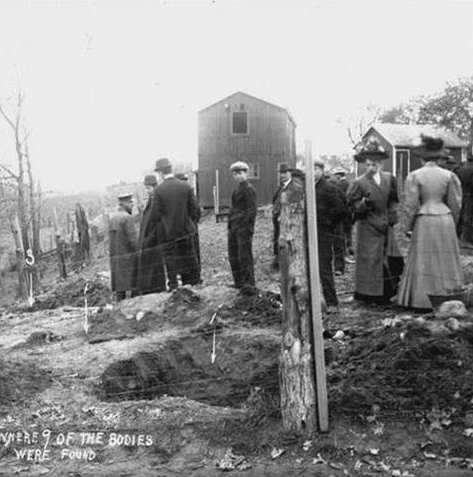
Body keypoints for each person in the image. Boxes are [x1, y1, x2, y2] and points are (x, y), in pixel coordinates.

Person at [397, 135, 464, 309]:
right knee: (446, 257)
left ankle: (422, 300)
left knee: (423, 258)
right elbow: (456, 205)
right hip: (445, 219)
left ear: (422, 158)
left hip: (425, 220)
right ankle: (448, 297)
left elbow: (410, 205)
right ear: (439, 157)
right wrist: (452, 223)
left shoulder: (414, 176)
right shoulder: (449, 176)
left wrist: (407, 227)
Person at [347, 139, 404, 305]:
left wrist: (392, 216)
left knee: (389, 259)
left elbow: (394, 200)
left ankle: (388, 293)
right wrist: (362, 204)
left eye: (375, 164)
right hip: (368, 226)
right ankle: (367, 295)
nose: (371, 168)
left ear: (381, 164)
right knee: (370, 261)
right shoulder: (359, 182)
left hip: (385, 224)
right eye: (369, 165)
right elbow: (350, 205)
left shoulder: (389, 179)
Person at [152, 158, 200, 289]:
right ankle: (194, 284)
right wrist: (189, 222)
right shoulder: (185, 186)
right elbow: (195, 210)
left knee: (170, 259)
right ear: (171, 169)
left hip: (168, 233)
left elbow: (155, 214)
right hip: (186, 230)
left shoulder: (158, 190)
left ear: (161, 173)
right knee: (190, 257)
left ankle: (173, 286)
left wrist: (165, 223)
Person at [314, 159, 345, 309]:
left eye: (315, 170)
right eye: (309, 170)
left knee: (324, 268)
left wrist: (327, 223)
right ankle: (313, 301)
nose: (312, 173)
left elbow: (340, 210)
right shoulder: (306, 189)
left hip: (323, 234)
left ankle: (332, 302)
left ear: (321, 171)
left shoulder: (329, 188)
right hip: (309, 234)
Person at [227, 161, 257, 290]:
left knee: (244, 256)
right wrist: (230, 225)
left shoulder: (249, 189)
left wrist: (244, 226)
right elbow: (234, 208)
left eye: (240, 173)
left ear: (246, 173)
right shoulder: (236, 190)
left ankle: (249, 284)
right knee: (233, 256)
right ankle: (238, 282)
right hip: (234, 228)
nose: (237, 176)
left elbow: (251, 211)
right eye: (235, 174)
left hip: (243, 229)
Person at [135, 174, 166, 295]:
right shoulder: (151, 200)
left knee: (154, 269)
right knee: (149, 268)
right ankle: (149, 290)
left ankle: (155, 291)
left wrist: (148, 239)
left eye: (148, 188)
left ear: (154, 187)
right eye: (146, 189)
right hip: (148, 241)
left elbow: (158, 223)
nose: (147, 191)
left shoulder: (156, 200)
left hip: (153, 242)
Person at [109, 193, 139, 301]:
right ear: (124, 203)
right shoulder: (127, 218)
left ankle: (119, 307)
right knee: (134, 285)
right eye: (130, 202)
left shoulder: (113, 218)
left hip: (116, 258)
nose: (132, 205)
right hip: (128, 258)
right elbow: (133, 241)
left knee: (120, 289)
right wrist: (140, 253)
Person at [271, 163, 294, 270]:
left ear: (290, 173)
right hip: (277, 217)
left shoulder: (293, 187)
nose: (282, 175)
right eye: (281, 173)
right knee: (277, 237)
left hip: (286, 218)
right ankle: (278, 260)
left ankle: (285, 263)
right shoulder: (282, 186)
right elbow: (276, 200)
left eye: (285, 173)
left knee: (286, 239)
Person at [329, 167, 352, 275]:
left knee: (338, 244)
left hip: (336, 221)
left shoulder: (339, 188)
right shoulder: (336, 188)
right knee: (338, 245)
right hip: (335, 221)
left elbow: (345, 204)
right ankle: (338, 268)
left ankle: (338, 267)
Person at [457, 155, 473, 244]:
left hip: (460, 194)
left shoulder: (460, 170)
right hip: (470, 196)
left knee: (461, 216)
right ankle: (467, 239)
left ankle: (459, 235)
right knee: (469, 217)